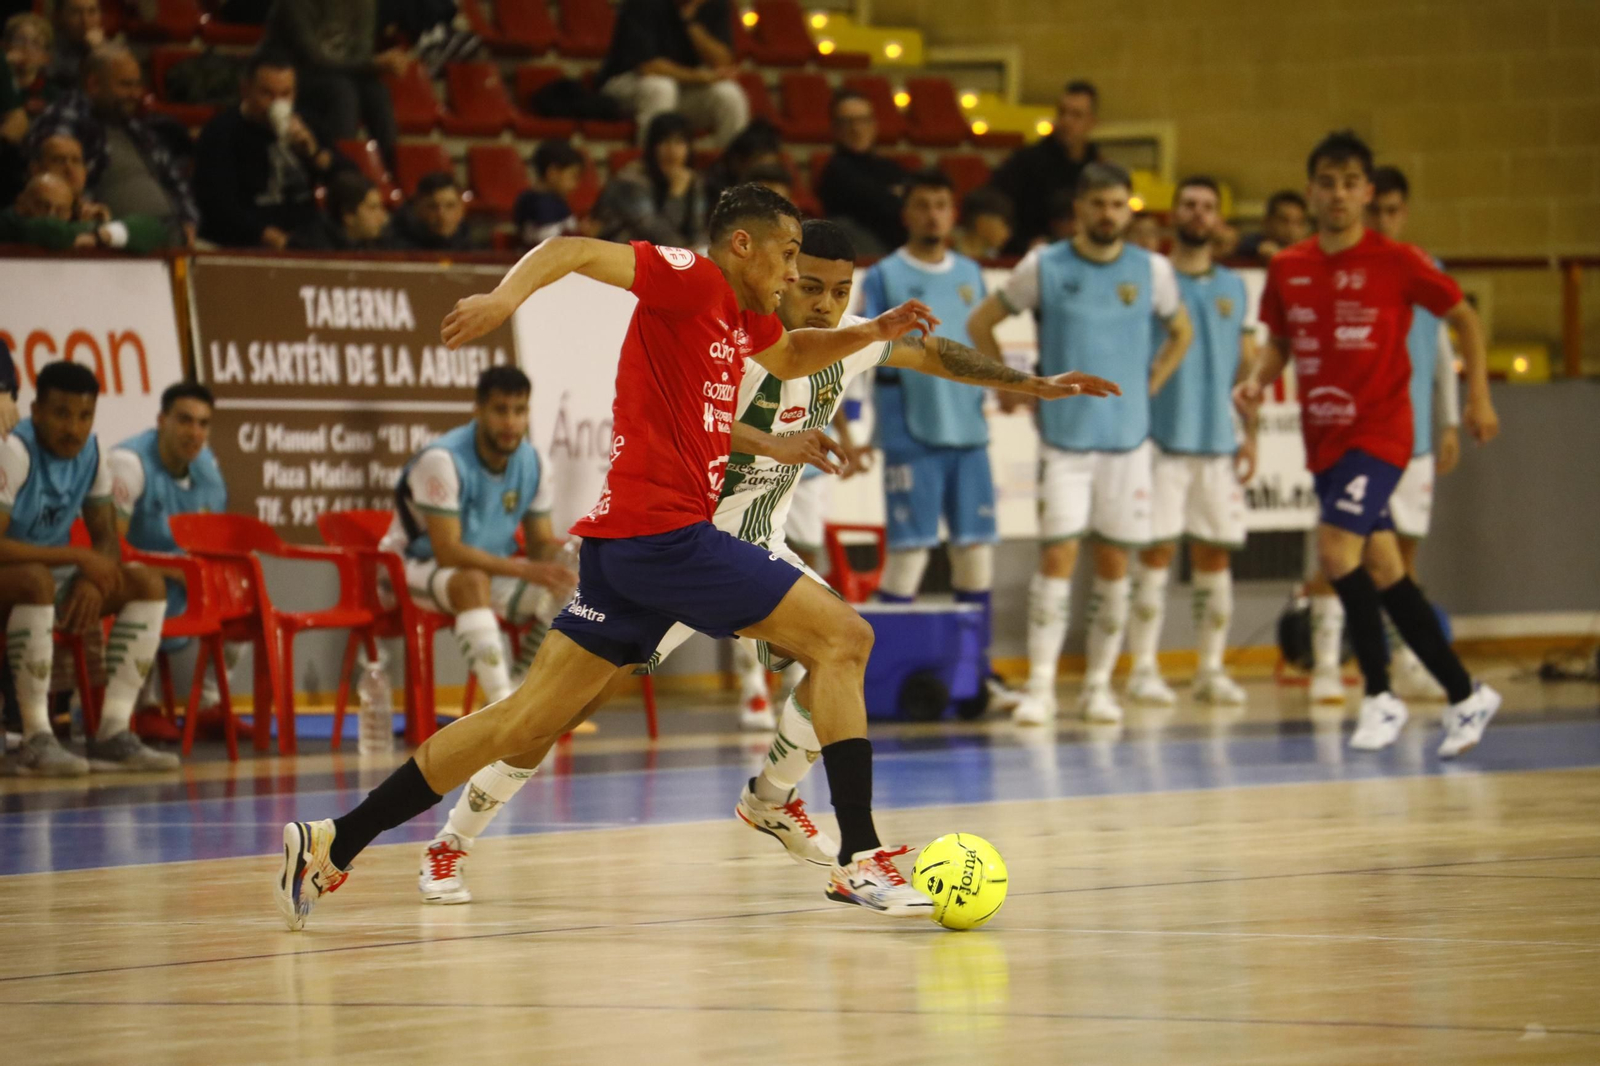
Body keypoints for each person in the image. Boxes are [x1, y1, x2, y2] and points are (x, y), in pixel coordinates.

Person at [273, 183, 952, 930]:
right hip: (666, 539)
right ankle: (858, 857)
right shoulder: (690, 278)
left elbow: (790, 355)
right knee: (846, 638)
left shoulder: (742, 315)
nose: (795, 275)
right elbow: (569, 250)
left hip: (627, 546)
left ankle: (335, 840)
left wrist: (872, 332)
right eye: (789, 255)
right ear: (743, 246)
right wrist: (503, 301)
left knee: (519, 723)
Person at [412, 218, 1115, 904]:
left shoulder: (847, 342)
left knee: (840, 650)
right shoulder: (736, 338)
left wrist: (1034, 383)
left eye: (841, 293)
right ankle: (454, 837)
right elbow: (702, 421)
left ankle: (773, 798)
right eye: (811, 286)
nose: (826, 304)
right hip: (683, 547)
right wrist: (775, 444)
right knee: (555, 712)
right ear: (783, 272)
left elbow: (935, 354)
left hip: (759, 546)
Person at [1236, 130, 1501, 758]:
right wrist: (1257, 380)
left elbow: (1464, 318)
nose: (1338, 193)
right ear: (1310, 190)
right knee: (1382, 570)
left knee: (1334, 550)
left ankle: (1380, 694)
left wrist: (1478, 396)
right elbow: (1280, 341)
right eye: (1327, 182)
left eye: (1351, 183)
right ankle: (1467, 696)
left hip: (1382, 433)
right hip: (1322, 438)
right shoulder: (1288, 267)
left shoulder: (1400, 260)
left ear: (1368, 192)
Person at [969, 161, 1194, 726]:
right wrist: (1012, 385)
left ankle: (1098, 685)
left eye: (1118, 205)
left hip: (1128, 443)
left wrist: (1151, 382)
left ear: (1129, 209)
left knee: (1116, 560)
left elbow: (1182, 330)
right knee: (1058, 555)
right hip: (1064, 442)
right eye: (1098, 204)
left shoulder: (1154, 270)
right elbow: (980, 323)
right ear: (1080, 209)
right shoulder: (1044, 265)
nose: (1108, 214)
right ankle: (1042, 687)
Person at [1305, 162, 1468, 705]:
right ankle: (1328, 663)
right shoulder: (1334, 266)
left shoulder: (1419, 267)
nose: (1383, 220)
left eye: (1393, 212)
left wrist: (1449, 418)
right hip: (1353, 435)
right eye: (1377, 210)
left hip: (1412, 437)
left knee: (1398, 559)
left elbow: (1443, 354)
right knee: (1337, 546)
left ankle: (1405, 661)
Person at [861, 168, 1017, 715]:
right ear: (908, 214)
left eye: (942, 204)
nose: (933, 214)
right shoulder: (882, 275)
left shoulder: (974, 273)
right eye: (923, 204)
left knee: (976, 560)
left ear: (954, 214)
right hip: (912, 437)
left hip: (969, 437)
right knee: (908, 559)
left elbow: (980, 348)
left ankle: (977, 676)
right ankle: (871, 679)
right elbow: (863, 358)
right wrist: (859, 429)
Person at [0, 362, 176, 775]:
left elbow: (106, 540)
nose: (74, 428)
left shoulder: (93, 454)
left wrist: (93, 582)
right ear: (36, 411)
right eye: (61, 414)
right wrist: (79, 559)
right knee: (36, 580)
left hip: (42, 578)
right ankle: (35, 737)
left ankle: (113, 731)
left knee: (146, 582)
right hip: (18, 576)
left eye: (84, 416)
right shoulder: (14, 451)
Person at [1123, 177, 1257, 707]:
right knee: (1154, 557)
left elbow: (1247, 371)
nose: (1198, 214)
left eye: (1208, 207)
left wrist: (1250, 433)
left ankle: (1210, 669)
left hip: (1218, 443)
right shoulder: (1153, 280)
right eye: (1189, 205)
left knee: (1215, 559)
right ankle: (1142, 670)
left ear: (1219, 219)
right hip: (1159, 439)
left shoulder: (1235, 287)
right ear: (1173, 213)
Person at [379, 365, 575, 728]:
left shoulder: (533, 463)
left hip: (488, 571)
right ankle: (501, 714)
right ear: (479, 411)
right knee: (472, 581)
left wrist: (574, 555)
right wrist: (528, 569)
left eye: (520, 411)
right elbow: (448, 552)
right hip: (405, 570)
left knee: (573, 593)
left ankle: (521, 694)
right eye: (500, 410)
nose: (511, 422)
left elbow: (539, 547)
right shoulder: (442, 460)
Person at [108, 383, 238, 713]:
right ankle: (136, 705)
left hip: (183, 580)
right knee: (140, 583)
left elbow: (214, 541)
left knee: (239, 589)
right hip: (128, 578)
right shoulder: (128, 463)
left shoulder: (209, 466)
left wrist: (199, 573)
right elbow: (107, 548)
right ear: (161, 420)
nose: (194, 432)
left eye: (203, 423)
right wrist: (176, 570)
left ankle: (211, 705)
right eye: (184, 420)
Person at [28, 45, 199, 245]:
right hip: (112, 244)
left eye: (138, 85)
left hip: (169, 236)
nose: (136, 94)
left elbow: (174, 179)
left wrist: (188, 220)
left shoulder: (135, 127)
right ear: (93, 84)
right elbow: (55, 188)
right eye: (126, 85)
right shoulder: (66, 119)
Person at [194, 52, 343, 250]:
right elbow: (217, 205)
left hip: (305, 234)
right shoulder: (221, 132)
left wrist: (314, 153)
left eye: (285, 94)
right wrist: (267, 236)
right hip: (245, 241)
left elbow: (347, 178)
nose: (277, 103)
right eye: (267, 94)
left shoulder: (308, 125)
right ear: (245, 89)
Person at [261, 0, 411, 172]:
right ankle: (339, 172)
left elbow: (362, 54)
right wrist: (373, 64)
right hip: (293, 77)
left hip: (338, 75)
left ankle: (394, 172)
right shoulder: (295, 4)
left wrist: (373, 64)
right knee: (342, 91)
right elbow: (313, 59)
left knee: (377, 91)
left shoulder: (364, 4)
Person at [597, 0, 746, 148]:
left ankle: (732, 167)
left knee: (729, 94)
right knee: (660, 87)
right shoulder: (642, 4)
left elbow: (723, 61)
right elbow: (648, 66)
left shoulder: (714, 4)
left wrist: (690, 21)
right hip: (625, 82)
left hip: (681, 87)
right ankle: (651, 166)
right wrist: (702, 77)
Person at [990, 79, 1100, 255]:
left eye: (1076, 115)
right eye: (1062, 113)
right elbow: (996, 206)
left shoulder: (1099, 169)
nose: (1066, 121)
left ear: (1092, 122)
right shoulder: (1025, 162)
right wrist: (1024, 243)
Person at [591, 112, 706, 247]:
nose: (672, 150)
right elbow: (657, 235)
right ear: (652, 147)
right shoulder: (630, 180)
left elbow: (698, 231)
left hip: (668, 256)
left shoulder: (691, 178)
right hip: (621, 255)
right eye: (664, 142)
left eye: (679, 142)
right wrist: (675, 194)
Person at [815, 88, 905, 257]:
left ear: (874, 125)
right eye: (848, 122)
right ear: (834, 128)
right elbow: (886, 207)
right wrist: (893, 196)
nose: (856, 129)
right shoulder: (835, 173)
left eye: (863, 121)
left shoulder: (890, 168)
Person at [0, 168, 164, 250]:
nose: (50, 215)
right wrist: (90, 233)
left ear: (71, 213)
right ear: (21, 203)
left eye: (60, 211)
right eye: (42, 205)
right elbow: (48, 229)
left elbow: (154, 230)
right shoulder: (8, 223)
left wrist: (102, 233)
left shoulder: (81, 226)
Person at [290, 169, 393, 250]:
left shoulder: (376, 243)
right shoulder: (313, 251)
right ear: (348, 214)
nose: (383, 217)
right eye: (373, 208)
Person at [514, 138, 585, 248]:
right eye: (573, 176)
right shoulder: (540, 203)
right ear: (553, 173)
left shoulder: (557, 200)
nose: (575, 184)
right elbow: (549, 241)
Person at [702, 117, 782, 206]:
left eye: (769, 167)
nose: (764, 174)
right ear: (736, 161)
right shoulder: (714, 185)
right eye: (759, 168)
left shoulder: (778, 184)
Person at [392, 170, 479, 251]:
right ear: (418, 209)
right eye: (433, 207)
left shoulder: (472, 246)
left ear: (462, 209)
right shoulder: (396, 249)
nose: (441, 214)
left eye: (450, 206)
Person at [44, 0, 101, 94]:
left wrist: (100, 49)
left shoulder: (106, 47)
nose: (85, 20)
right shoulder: (49, 50)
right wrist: (97, 53)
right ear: (58, 17)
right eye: (75, 12)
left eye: (92, 11)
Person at [1236, 190, 1310, 262]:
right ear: (1267, 222)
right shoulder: (1253, 245)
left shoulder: (1311, 252)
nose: (1291, 229)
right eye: (1284, 221)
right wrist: (1257, 248)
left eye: (1298, 222)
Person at [5, 13, 55, 116]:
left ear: (46, 57)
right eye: (19, 40)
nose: (27, 48)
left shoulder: (52, 93)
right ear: (7, 47)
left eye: (36, 43)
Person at [952, 186, 1012, 261]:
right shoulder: (946, 246)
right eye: (1004, 224)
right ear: (982, 222)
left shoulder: (992, 255)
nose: (1008, 233)